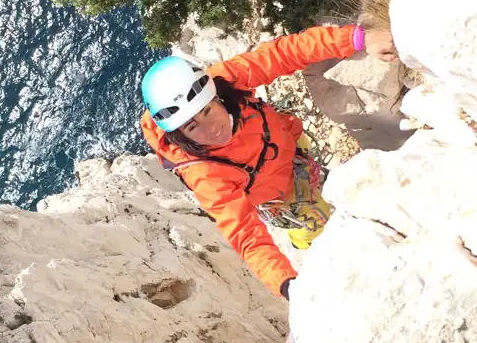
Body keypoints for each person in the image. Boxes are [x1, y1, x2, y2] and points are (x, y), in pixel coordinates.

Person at [140, 24, 397, 300]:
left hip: (290, 145)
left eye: (207, 111)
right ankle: (306, 240)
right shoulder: (206, 174)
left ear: (215, 97)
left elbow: (284, 53)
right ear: (180, 135)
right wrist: (287, 284)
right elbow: (246, 235)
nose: (210, 128)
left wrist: (357, 38)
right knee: (314, 224)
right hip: (281, 195)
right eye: (192, 128)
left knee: (328, 184)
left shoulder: (227, 81)